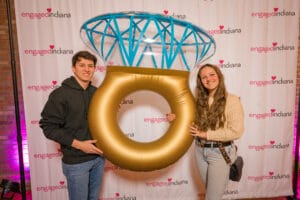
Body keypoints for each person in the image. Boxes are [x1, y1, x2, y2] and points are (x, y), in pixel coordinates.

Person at [39, 50, 105, 200]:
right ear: (73, 68)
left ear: (95, 69)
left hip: (99, 159)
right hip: (76, 162)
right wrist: (79, 145)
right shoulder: (60, 94)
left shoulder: (98, 93)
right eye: (81, 65)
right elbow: (48, 127)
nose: (86, 69)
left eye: (90, 65)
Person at [189, 63, 244, 200]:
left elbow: (236, 132)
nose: (208, 79)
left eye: (212, 74)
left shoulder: (232, 100)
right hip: (200, 151)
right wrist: (175, 118)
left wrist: (206, 134)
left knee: (212, 197)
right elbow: (191, 124)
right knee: (211, 193)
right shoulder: (199, 101)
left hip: (220, 152)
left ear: (219, 76)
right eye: (204, 77)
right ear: (200, 81)